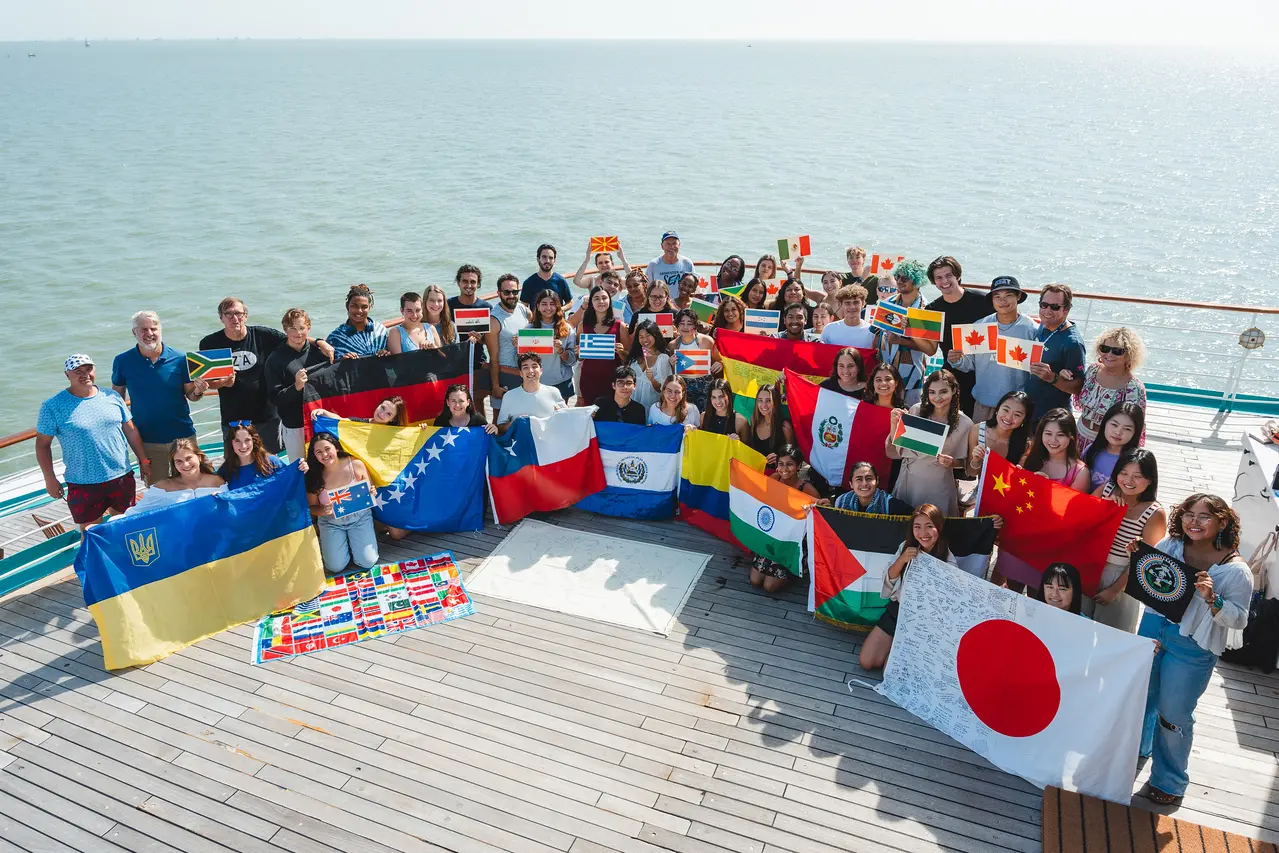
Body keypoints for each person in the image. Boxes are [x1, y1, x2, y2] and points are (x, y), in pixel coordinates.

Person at [1134, 494, 1251, 806]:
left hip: (1193, 647)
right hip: (1153, 629)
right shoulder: (1171, 546)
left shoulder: (1236, 572)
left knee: (1174, 713)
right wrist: (1139, 557)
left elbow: (1239, 620)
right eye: (1188, 514)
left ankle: (1169, 780)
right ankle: (1138, 749)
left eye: (1204, 517)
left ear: (1223, 522)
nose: (1193, 522)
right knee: (1142, 696)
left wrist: (1215, 599)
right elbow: (1150, 580)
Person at [200, 296, 332, 454]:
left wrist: (318, 342)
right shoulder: (209, 343)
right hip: (233, 418)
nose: (235, 318)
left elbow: (294, 336)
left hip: (267, 417)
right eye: (229, 314)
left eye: (239, 313)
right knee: (237, 467)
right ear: (221, 318)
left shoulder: (263, 335)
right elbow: (208, 382)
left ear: (246, 315)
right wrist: (221, 383)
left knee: (272, 466)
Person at [36, 354, 149, 529]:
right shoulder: (52, 406)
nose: (85, 375)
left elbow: (131, 431)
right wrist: (49, 479)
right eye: (78, 371)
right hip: (83, 483)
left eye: (88, 369)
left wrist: (144, 460)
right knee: (90, 534)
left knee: (125, 527)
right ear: (67, 375)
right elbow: (42, 445)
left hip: (120, 476)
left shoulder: (112, 396)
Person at [990, 408, 1090, 590]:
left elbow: (1071, 517)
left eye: (1060, 435)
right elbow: (1012, 499)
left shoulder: (1080, 472)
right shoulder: (1029, 459)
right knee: (1011, 593)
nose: (1053, 441)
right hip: (1019, 543)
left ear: (1071, 437)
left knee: (1039, 599)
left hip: (1049, 549)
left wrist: (1046, 492)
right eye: (1048, 433)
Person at [111, 310, 205, 484]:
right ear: (134, 332)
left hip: (183, 438)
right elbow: (116, 400)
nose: (149, 334)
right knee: (158, 492)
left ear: (160, 329)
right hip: (147, 441)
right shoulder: (122, 361)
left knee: (191, 485)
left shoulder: (180, 358)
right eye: (143, 329)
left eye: (153, 328)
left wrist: (198, 390)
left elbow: (191, 395)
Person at [859, 504, 956, 671]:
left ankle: (902, 649)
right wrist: (902, 559)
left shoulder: (948, 560)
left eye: (929, 526)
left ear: (938, 527)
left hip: (923, 622)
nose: (923, 533)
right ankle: (892, 645)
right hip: (898, 611)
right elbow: (889, 580)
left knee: (890, 671)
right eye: (917, 527)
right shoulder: (906, 547)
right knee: (867, 661)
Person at [1090, 448, 1166, 631]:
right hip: (1091, 565)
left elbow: (1146, 559)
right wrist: (1103, 507)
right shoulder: (1106, 489)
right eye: (1123, 473)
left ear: (1149, 480)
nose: (1128, 481)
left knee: (1112, 632)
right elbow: (1082, 521)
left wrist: (1115, 589)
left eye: (1137, 476)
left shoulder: (1154, 514)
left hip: (1122, 575)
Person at [946, 275, 1037, 421]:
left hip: (1016, 406)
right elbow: (968, 364)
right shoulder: (979, 326)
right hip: (984, 403)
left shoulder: (1032, 329)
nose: (1003, 301)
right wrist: (956, 360)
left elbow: (1036, 371)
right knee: (979, 442)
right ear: (992, 300)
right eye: (997, 296)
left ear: (1018, 296)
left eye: (1008, 295)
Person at [888, 369, 972, 516]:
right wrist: (894, 422)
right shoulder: (915, 410)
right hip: (910, 480)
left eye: (943, 391)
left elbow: (967, 464)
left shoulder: (965, 423)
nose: (937, 397)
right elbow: (898, 448)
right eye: (932, 392)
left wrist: (952, 462)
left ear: (954, 391)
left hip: (939, 483)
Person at [747, 445, 822, 594]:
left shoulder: (806, 489)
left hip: (791, 544)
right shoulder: (774, 479)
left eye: (790, 464)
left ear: (799, 466)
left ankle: (795, 570)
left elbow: (820, 513)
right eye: (781, 464)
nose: (784, 468)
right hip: (772, 538)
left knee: (769, 586)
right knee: (755, 581)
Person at [265, 308, 335, 464]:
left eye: (302, 328)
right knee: (301, 468)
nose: (298, 333)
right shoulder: (275, 359)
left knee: (326, 464)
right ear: (285, 330)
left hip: (320, 419)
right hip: (294, 425)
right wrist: (296, 387)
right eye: (292, 329)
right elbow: (274, 398)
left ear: (308, 328)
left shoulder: (320, 352)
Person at [306, 431, 378, 575]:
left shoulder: (355, 464)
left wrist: (372, 492)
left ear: (336, 448)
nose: (324, 455)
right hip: (331, 522)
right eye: (319, 452)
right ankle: (344, 546)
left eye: (327, 449)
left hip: (360, 518)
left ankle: (356, 545)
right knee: (335, 567)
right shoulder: (314, 476)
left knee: (367, 561)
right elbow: (311, 508)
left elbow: (369, 492)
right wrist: (323, 511)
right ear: (314, 455)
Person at [924, 257, 987, 418]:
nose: (944, 281)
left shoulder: (983, 300)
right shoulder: (932, 310)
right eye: (939, 278)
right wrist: (910, 331)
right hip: (952, 374)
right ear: (934, 282)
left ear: (957, 276)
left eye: (948, 275)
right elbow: (931, 350)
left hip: (982, 371)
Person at [1069, 327, 1148, 455]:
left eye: (1117, 351)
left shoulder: (1134, 389)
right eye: (1104, 348)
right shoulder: (1092, 371)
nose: (1109, 354)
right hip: (1078, 436)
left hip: (1106, 446)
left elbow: (1136, 428)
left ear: (1130, 354)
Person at [875, 263, 938, 408]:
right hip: (885, 371)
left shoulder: (927, 310)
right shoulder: (888, 303)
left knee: (908, 416)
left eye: (905, 277)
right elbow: (877, 334)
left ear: (917, 280)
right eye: (897, 276)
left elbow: (931, 350)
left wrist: (902, 340)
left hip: (911, 376)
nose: (899, 280)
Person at [1024, 283, 1087, 420]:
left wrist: (1052, 377)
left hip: (1052, 415)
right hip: (1030, 407)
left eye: (1055, 307)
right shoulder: (1044, 324)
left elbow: (1078, 387)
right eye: (1044, 305)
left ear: (1066, 310)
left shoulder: (1073, 343)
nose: (1047, 311)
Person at [487, 273, 533, 419]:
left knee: (525, 417)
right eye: (507, 292)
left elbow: (534, 334)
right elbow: (493, 358)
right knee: (500, 419)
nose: (511, 295)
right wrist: (495, 386)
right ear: (498, 293)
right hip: (505, 375)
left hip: (525, 373)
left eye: (515, 292)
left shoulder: (523, 310)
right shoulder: (494, 319)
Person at [447, 264, 492, 411]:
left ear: (478, 284)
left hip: (477, 361)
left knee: (477, 401)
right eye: (465, 281)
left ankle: (481, 432)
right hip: (454, 363)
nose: (469, 285)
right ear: (458, 282)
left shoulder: (486, 307)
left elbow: (489, 341)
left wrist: (481, 339)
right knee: (454, 402)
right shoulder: (448, 305)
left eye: (473, 282)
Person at [576, 285, 628, 407]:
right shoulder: (582, 326)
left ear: (610, 301)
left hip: (613, 380)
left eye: (604, 298)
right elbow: (580, 358)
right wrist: (579, 353)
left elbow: (628, 357)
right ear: (591, 303)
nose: (601, 301)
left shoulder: (620, 326)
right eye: (596, 298)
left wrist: (621, 352)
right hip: (589, 379)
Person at [965, 390, 1032, 478]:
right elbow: (971, 472)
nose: (1008, 417)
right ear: (997, 409)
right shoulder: (978, 430)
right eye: (1005, 410)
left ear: (1024, 420)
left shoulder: (1026, 444)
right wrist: (976, 460)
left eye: (1017, 415)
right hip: (981, 490)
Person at [496, 353, 567, 434]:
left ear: (541, 371)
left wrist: (561, 414)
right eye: (525, 367)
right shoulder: (509, 396)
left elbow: (566, 419)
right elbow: (500, 427)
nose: (530, 371)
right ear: (520, 373)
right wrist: (517, 423)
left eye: (534, 366)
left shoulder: (553, 392)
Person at [667, 308, 721, 412]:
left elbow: (719, 360)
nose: (685, 327)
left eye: (690, 323)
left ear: (695, 326)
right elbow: (673, 372)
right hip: (684, 387)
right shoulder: (673, 345)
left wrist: (719, 364)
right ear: (677, 326)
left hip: (705, 386)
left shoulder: (707, 341)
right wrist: (671, 363)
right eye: (682, 323)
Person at [1083, 401, 1146, 490]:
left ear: (1135, 433)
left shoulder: (1135, 462)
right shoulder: (1091, 450)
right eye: (1114, 425)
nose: (1118, 432)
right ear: (1105, 424)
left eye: (1127, 429)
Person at [529, 289, 577, 402]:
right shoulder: (529, 329)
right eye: (544, 304)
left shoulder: (567, 328)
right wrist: (518, 346)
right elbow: (523, 359)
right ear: (538, 306)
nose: (548, 308)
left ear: (558, 306)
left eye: (552, 304)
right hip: (537, 381)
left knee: (561, 416)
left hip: (562, 382)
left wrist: (561, 350)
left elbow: (573, 361)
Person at [218, 421, 286, 490]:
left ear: (253, 441)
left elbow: (290, 480)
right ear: (231, 443)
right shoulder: (224, 472)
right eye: (237, 441)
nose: (243, 446)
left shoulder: (272, 462)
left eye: (247, 440)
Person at [327, 284, 390, 359]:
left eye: (364, 307)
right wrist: (343, 361)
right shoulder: (336, 337)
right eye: (354, 306)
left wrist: (386, 353)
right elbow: (331, 366)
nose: (359, 311)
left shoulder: (381, 331)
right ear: (347, 306)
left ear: (369, 307)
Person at [744, 384, 794, 473]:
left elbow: (794, 458)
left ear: (775, 402)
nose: (764, 405)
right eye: (760, 400)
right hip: (756, 475)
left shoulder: (785, 426)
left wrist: (780, 459)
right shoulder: (754, 421)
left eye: (768, 401)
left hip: (776, 479)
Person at [834, 461, 913, 515]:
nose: (864, 483)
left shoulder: (891, 504)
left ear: (877, 481)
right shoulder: (841, 502)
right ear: (851, 484)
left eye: (869, 478)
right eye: (859, 479)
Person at [626, 319, 671, 409]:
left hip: (651, 405)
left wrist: (652, 380)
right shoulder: (634, 357)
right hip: (632, 404)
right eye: (641, 337)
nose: (645, 339)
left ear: (655, 336)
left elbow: (663, 389)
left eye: (648, 335)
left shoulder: (663, 358)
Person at [520, 243, 571, 309]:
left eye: (551, 258)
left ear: (554, 260)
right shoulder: (529, 282)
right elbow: (524, 307)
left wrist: (559, 310)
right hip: (536, 319)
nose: (547, 261)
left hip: (557, 319)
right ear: (538, 259)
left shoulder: (561, 281)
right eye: (544, 257)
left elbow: (570, 302)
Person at [645, 231, 694, 298]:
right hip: (661, 305)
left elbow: (694, 286)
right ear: (662, 246)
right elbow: (648, 288)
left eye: (674, 243)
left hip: (681, 304)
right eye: (668, 244)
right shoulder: (653, 264)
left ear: (679, 245)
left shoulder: (687, 263)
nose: (671, 247)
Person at [433, 383, 497, 433]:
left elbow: (489, 442)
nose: (457, 405)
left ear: (468, 402)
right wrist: (424, 430)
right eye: (453, 401)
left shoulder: (479, 421)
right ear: (447, 402)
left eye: (461, 401)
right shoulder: (440, 422)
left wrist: (494, 431)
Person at [311, 394, 409, 427]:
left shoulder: (396, 432)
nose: (382, 414)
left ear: (393, 419)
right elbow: (341, 420)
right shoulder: (361, 423)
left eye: (388, 414)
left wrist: (423, 429)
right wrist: (324, 412)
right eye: (382, 407)